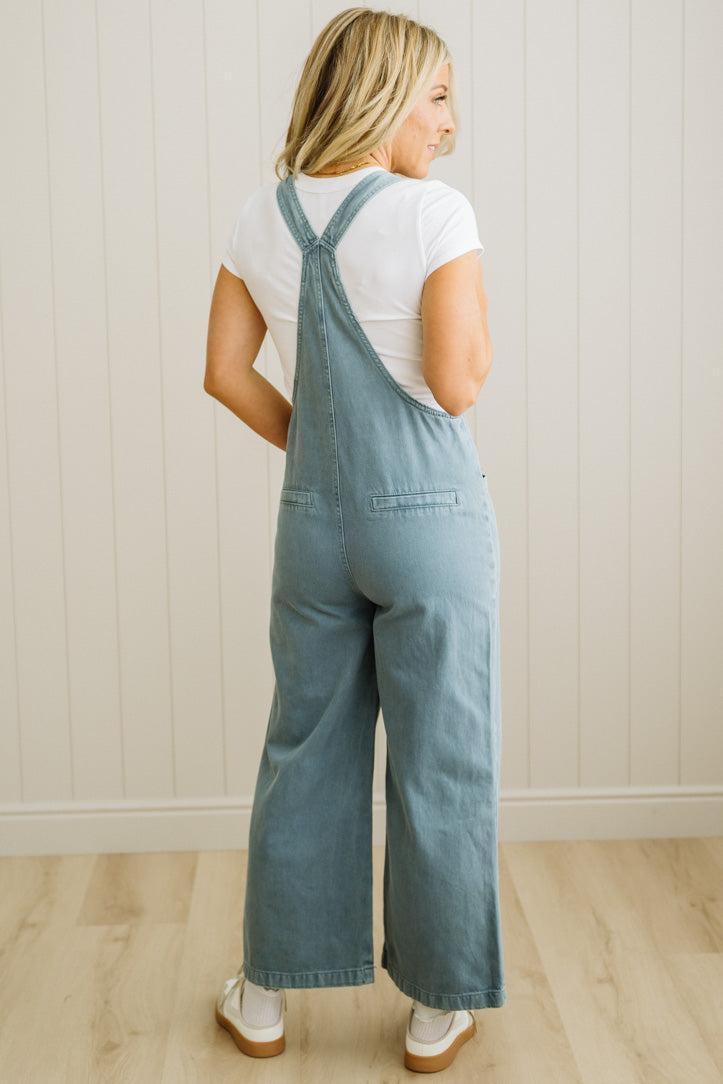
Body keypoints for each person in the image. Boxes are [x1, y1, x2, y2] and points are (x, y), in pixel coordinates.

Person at [204, 7, 505, 1074]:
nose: (450, 123)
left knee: (306, 753)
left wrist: (318, 454)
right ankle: (435, 1006)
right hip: (428, 522)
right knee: (441, 759)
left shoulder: (262, 213)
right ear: (378, 93)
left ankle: (265, 996)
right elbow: (460, 381)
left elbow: (226, 371)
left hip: (314, 527)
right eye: (435, 95)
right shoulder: (435, 216)